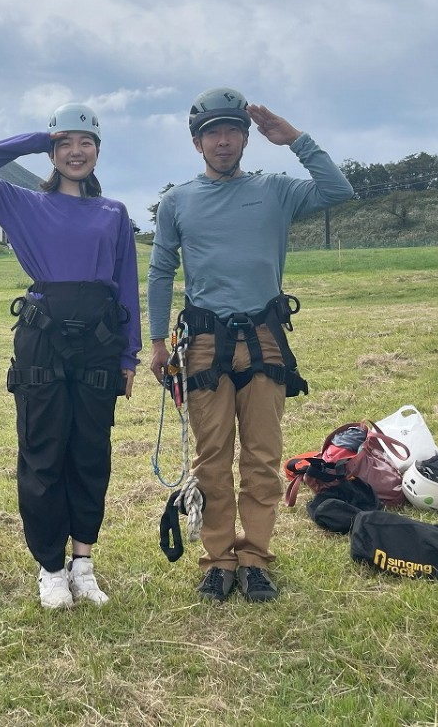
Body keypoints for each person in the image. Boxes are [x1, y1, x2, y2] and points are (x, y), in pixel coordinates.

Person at [147, 87, 354, 603]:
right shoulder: (178, 201)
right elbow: (159, 271)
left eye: (231, 131)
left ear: (246, 137)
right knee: (211, 458)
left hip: (264, 339)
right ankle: (218, 559)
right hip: (202, 344)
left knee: (262, 456)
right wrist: (154, 342)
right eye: (211, 133)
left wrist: (296, 140)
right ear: (197, 144)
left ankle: (255, 556)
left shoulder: (277, 190)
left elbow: (338, 190)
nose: (222, 141)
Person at [0, 104, 141, 610]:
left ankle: (83, 565)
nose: (76, 152)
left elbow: (126, 285)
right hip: (43, 335)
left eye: (86, 143)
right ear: (52, 153)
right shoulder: (21, 204)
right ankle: (50, 568)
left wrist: (130, 354)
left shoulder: (114, 213)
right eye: (65, 144)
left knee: (90, 451)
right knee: (42, 451)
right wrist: (38, 137)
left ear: (99, 151)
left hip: (101, 338)